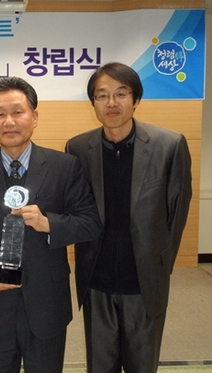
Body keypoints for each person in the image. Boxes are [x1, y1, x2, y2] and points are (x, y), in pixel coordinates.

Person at [0, 76, 102, 373]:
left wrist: (48, 223)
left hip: (47, 302)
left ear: (34, 117)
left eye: (18, 112)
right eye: (0, 114)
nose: (9, 121)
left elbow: (89, 223)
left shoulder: (64, 166)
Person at [65, 62, 192, 373]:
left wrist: (159, 265)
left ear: (136, 100)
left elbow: (177, 215)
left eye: (121, 94)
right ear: (93, 103)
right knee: (100, 366)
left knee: (142, 366)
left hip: (143, 283)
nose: (112, 103)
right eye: (102, 95)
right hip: (96, 282)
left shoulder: (169, 145)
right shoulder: (78, 148)